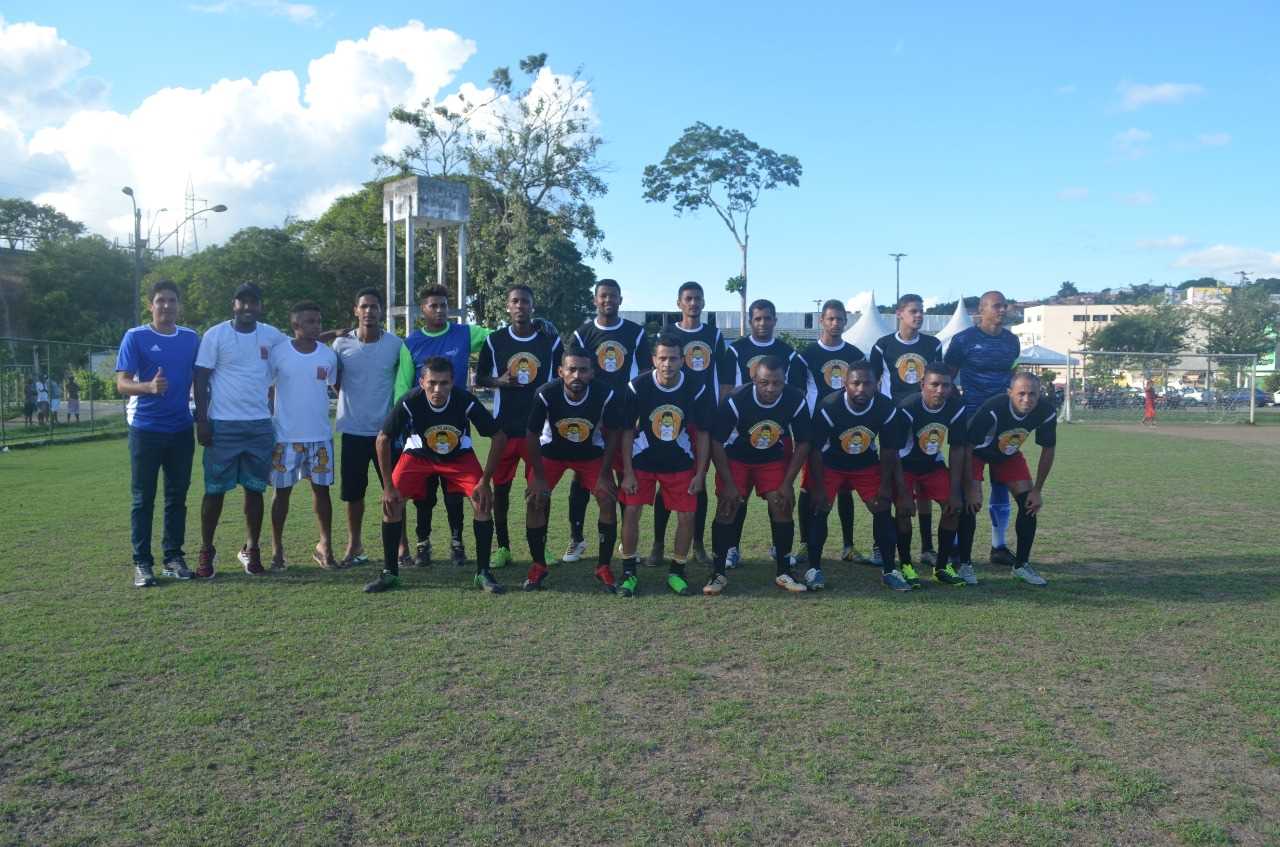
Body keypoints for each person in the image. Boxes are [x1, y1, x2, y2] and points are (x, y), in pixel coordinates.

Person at [363, 357, 508, 594]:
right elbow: (383, 438)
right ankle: (389, 573)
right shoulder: (410, 401)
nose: (437, 389)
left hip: (458, 457)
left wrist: (484, 482)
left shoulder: (464, 400)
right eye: (432, 383)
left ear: (453, 383)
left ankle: (483, 573)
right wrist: (388, 486)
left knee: (482, 502)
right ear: (422, 382)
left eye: (444, 383)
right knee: (392, 503)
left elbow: (499, 436)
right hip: (419, 455)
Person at [193, 282, 289, 578]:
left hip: (259, 425)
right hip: (222, 425)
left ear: (260, 306)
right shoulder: (215, 335)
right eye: (242, 301)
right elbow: (200, 377)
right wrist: (202, 420)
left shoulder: (271, 335)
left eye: (254, 302)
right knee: (214, 491)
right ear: (233, 304)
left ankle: (251, 549)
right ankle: (207, 550)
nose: (248, 307)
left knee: (254, 490)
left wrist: (336, 335)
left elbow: (301, 342)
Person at [115, 280, 201, 587]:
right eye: (160, 301)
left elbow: (200, 379)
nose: (166, 306)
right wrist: (148, 387)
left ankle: (173, 558)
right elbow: (122, 383)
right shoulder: (135, 337)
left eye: (172, 301)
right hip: (145, 429)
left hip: (180, 429)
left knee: (177, 497)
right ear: (151, 305)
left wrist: (201, 417)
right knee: (143, 498)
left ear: (179, 305)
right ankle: (142, 563)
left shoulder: (191, 338)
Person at [400, 285, 492, 567]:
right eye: (433, 305)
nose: (440, 310)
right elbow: (403, 385)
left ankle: (457, 542)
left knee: (455, 494)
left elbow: (498, 339)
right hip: (422, 431)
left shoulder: (464, 333)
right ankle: (422, 543)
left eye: (443, 305)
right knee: (424, 495)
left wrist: (534, 329)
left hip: (456, 427)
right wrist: (401, 425)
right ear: (422, 310)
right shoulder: (411, 342)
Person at [618, 332, 714, 596]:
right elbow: (627, 431)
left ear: (683, 360)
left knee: (687, 516)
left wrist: (701, 473)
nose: (667, 364)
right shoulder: (637, 386)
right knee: (632, 512)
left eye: (673, 359)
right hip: (643, 460)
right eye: (662, 358)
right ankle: (628, 573)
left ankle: (677, 571)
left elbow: (704, 433)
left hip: (680, 461)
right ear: (653, 360)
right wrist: (627, 471)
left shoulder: (697, 387)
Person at [521, 346, 624, 593]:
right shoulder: (546, 393)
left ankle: (603, 567)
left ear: (592, 372)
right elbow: (531, 435)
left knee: (608, 497)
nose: (577, 375)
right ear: (561, 371)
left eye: (583, 370)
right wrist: (538, 477)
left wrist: (603, 475)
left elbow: (614, 435)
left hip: (590, 454)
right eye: (572, 369)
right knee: (535, 500)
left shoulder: (605, 394)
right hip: (552, 453)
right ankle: (538, 565)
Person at [804, 361, 914, 592]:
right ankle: (814, 568)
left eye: (867, 383)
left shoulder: (886, 407)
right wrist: (819, 487)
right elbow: (815, 450)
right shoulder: (829, 406)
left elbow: (889, 450)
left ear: (877, 384)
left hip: (866, 464)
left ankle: (889, 570)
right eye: (855, 383)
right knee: (820, 508)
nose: (861, 389)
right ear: (845, 384)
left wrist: (885, 486)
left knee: (882, 508)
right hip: (832, 463)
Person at [706, 355, 811, 595]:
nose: (771, 389)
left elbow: (804, 442)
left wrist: (787, 483)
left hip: (770, 459)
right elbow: (716, 442)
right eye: (764, 383)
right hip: (736, 458)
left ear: (785, 380)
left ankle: (784, 571)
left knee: (781, 503)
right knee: (727, 505)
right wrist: (729, 484)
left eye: (777, 383)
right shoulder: (735, 400)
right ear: (754, 379)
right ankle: (718, 573)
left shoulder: (795, 399)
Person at [719, 299, 810, 570]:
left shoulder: (788, 354)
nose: (762, 323)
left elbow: (793, 396)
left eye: (767, 318)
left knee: (780, 497)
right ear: (750, 320)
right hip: (741, 435)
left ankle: (778, 548)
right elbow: (726, 391)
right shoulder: (735, 350)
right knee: (737, 496)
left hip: (776, 438)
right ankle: (732, 548)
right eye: (757, 318)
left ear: (775, 320)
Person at [475, 284, 562, 570]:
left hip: (539, 428)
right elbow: (481, 378)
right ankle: (503, 547)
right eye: (515, 301)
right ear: (507, 306)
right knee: (501, 489)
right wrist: (499, 382)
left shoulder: (549, 340)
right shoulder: (495, 340)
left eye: (525, 301)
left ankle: (542, 545)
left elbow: (566, 373)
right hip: (505, 428)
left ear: (532, 307)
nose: (520, 306)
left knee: (540, 489)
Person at [564, 279, 650, 563]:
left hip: (625, 417)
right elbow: (572, 374)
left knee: (625, 477)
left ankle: (627, 544)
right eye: (603, 296)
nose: (608, 300)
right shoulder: (582, 333)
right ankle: (576, 538)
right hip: (591, 418)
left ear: (620, 299)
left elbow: (646, 375)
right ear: (595, 300)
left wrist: (638, 414)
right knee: (582, 477)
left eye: (613, 296)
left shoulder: (635, 333)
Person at [647, 281, 725, 566]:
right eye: (688, 298)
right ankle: (657, 544)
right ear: (679, 303)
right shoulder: (668, 333)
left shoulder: (713, 335)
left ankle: (698, 544)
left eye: (698, 299)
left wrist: (718, 410)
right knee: (664, 481)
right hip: (670, 416)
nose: (693, 303)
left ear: (704, 303)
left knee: (697, 482)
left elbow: (724, 376)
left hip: (700, 416)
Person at [942, 290, 1021, 570]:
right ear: (982, 310)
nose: (1002, 310)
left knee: (1001, 482)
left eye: (1004, 306)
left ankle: (999, 546)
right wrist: (961, 410)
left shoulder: (1012, 342)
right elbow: (947, 380)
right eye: (996, 306)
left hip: (1003, 423)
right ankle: (953, 547)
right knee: (966, 484)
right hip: (971, 421)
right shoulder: (963, 340)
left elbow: (1013, 379)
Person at [332, 288, 410, 568]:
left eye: (374, 307)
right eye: (364, 306)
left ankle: (403, 547)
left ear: (381, 311)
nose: (369, 312)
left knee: (395, 491)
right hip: (353, 431)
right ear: (356, 310)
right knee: (353, 494)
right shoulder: (341, 345)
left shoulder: (395, 344)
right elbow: (335, 380)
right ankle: (354, 545)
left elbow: (404, 380)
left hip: (386, 433)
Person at [871, 294, 945, 568]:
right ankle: (881, 545)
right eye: (913, 311)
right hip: (895, 419)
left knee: (924, 482)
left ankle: (927, 547)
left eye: (921, 311)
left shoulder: (933, 344)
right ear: (899, 314)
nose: (918, 316)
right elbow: (874, 383)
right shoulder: (883, 346)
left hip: (925, 418)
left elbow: (939, 378)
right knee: (891, 483)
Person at [965, 371, 1057, 585]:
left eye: (1032, 394)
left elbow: (1048, 449)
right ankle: (965, 564)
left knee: (1029, 504)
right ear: (1010, 393)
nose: (1027, 399)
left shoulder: (1046, 411)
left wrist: (1037, 490)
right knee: (970, 504)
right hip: (976, 453)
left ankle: (1022, 565)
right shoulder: (994, 408)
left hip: (1007, 454)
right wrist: (970, 487)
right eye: (1021, 393)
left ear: (1039, 394)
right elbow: (967, 447)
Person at [266, 301, 340, 570]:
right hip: (285, 437)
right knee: (281, 493)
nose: (316, 326)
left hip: (320, 437)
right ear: (295, 325)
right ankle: (277, 549)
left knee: (322, 493)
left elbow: (334, 386)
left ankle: (325, 547)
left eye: (318, 321)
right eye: (309, 322)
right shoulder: (278, 353)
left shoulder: (328, 355)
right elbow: (266, 387)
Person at [799, 299, 865, 563]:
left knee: (845, 488)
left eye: (840, 319)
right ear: (821, 321)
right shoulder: (807, 355)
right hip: (817, 429)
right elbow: (800, 393)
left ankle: (848, 545)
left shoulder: (855, 355)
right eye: (831, 319)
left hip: (848, 428)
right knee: (809, 487)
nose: (836, 323)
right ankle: (805, 543)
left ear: (845, 322)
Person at [894, 363, 970, 587]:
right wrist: (902, 492)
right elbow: (893, 452)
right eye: (934, 384)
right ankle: (906, 564)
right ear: (922, 385)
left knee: (953, 507)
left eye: (945, 385)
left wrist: (955, 491)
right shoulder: (908, 407)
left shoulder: (956, 407)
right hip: (904, 465)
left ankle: (942, 566)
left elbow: (957, 449)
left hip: (932, 464)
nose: (940, 390)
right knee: (903, 511)